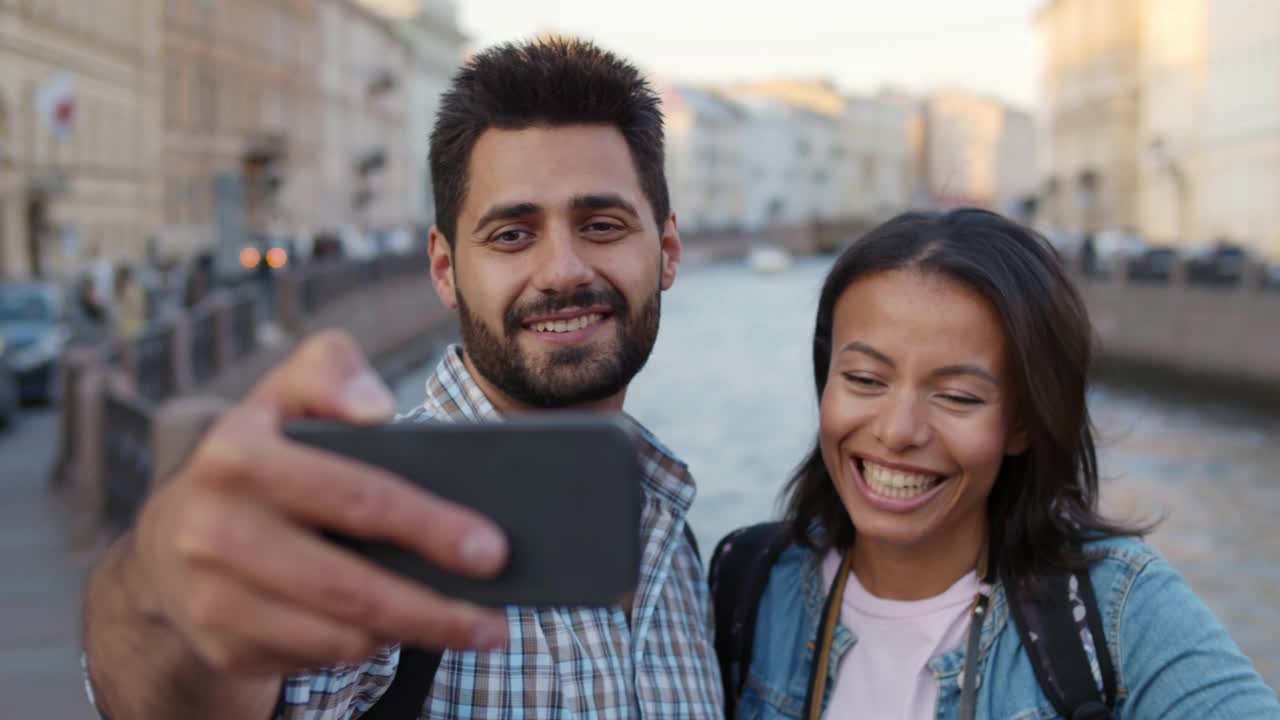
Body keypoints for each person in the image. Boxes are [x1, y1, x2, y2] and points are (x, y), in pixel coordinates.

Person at [80, 38, 721, 719]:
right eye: (511, 235)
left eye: (601, 224)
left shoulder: (675, 542)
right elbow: (168, 692)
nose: (563, 269)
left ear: (667, 251)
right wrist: (157, 592)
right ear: (445, 269)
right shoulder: (366, 518)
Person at [711, 209, 1280, 719]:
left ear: (1024, 424)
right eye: (863, 380)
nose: (897, 431)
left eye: (958, 396)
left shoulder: (1117, 609)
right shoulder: (749, 584)